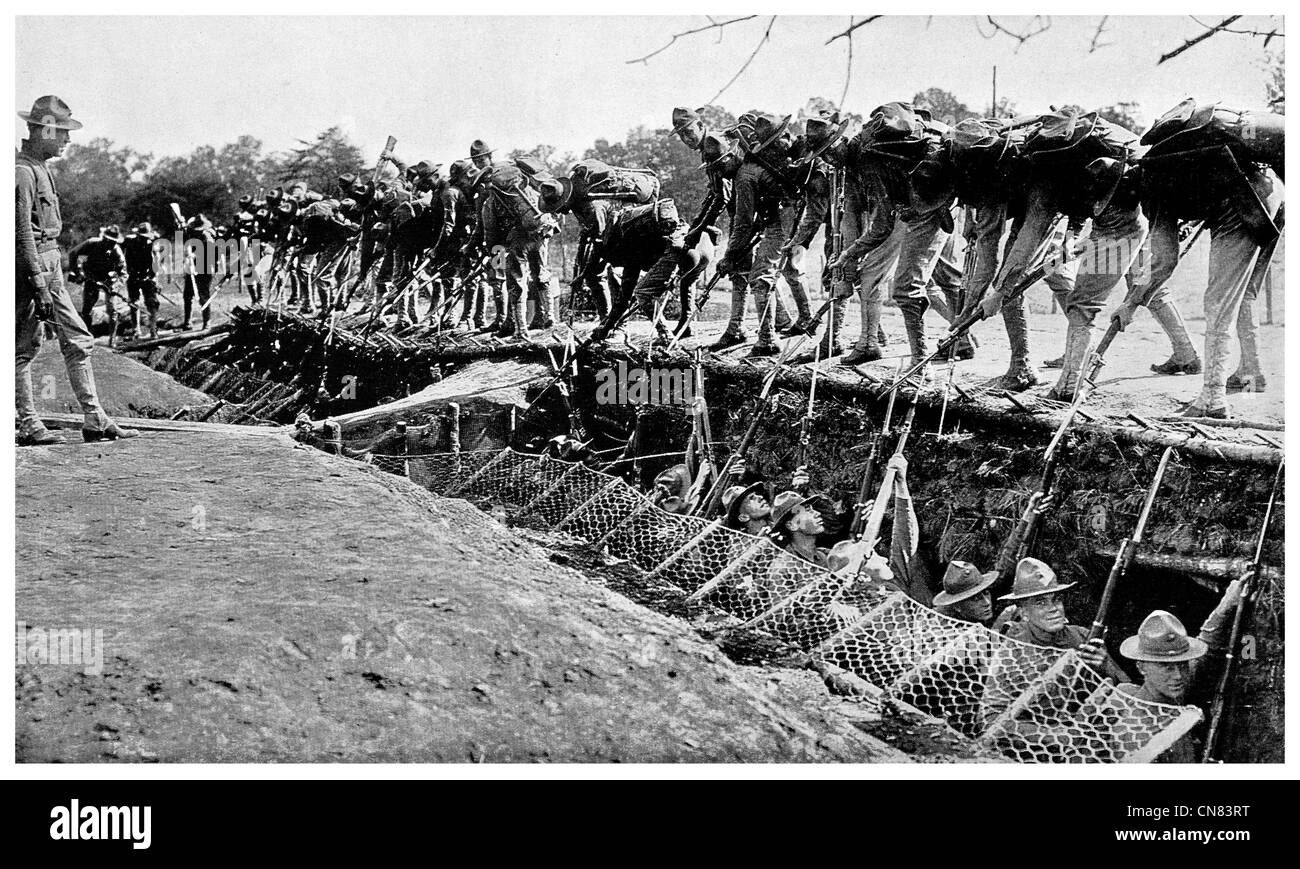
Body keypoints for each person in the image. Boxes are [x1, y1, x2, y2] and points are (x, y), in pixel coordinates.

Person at [1112, 101, 1284, 417]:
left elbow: (1163, 260)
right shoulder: (1167, 164)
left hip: (1243, 205)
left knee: (1218, 301)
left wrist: (1131, 302)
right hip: (1273, 190)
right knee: (1242, 293)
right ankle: (1251, 372)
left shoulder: (1151, 184)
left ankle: (1212, 400)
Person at [15, 95, 136, 445]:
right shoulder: (22, 171)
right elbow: (21, 231)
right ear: (46, 130)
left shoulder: (39, 168)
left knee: (79, 340)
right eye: (63, 132)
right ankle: (28, 422)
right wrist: (37, 282)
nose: (68, 140)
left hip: (49, 264)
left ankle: (95, 418)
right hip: (30, 267)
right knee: (23, 347)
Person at [1112, 580, 1243, 763]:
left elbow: (1206, 647)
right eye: (1165, 667)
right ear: (1141, 667)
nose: (1178, 675)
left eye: (1182, 664)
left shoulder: (1165, 695)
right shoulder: (1134, 732)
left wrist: (1226, 605)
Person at [67, 225, 128, 335]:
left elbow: (123, 274)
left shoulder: (117, 252)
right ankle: (88, 335)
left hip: (109, 280)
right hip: (92, 277)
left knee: (112, 310)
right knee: (87, 309)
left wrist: (116, 285)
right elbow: (73, 253)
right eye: (108, 241)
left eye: (113, 242)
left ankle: (112, 338)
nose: (110, 244)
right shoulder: (92, 243)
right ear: (104, 238)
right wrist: (77, 273)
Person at [121, 222, 162, 337]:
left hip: (147, 276)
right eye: (142, 237)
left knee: (152, 303)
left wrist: (152, 278)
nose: (144, 239)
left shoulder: (153, 246)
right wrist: (129, 274)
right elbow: (124, 259)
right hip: (133, 275)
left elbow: (156, 265)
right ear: (138, 235)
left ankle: (153, 330)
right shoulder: (130, 243)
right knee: (134, 303)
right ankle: (136, 330)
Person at [931, 561, 998, 625]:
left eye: (986, 593)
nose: (987, 603)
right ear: (957, 606)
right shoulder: (952, 632)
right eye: (976, 599)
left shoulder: (976, 622)